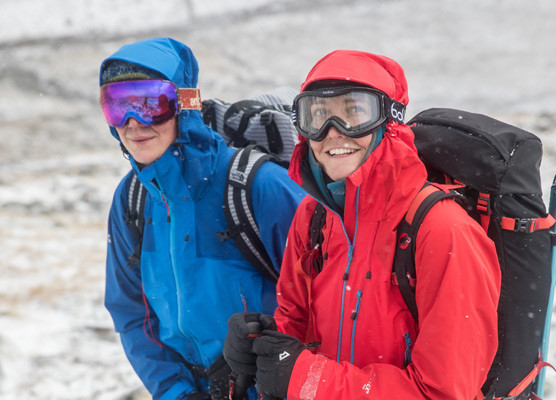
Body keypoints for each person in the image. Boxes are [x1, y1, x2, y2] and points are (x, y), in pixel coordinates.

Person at [223, 50, 502, 399]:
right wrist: (264, 346)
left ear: (389, 122)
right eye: (318, 115)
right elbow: (296, 323)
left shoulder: (442, 230)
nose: (333, 132)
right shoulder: (313, 217)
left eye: (354, 112)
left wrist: (306, 379)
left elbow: (443, 392)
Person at [100, 37, 305, 400]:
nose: (133, 123)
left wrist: (265, 375)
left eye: (150, 104)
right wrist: (176, 391)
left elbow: (327, 303)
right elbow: (131, 313)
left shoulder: (258, 187)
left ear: (184, 105)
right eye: (117, 106)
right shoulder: (132, 198)